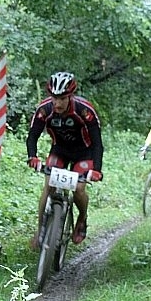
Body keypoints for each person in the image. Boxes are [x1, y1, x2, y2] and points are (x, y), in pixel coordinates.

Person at [26, 72, 104, 247]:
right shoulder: (44, 110)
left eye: (62, 98)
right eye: (54, 98)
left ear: (70, 96)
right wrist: (33, 157)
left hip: (84, 152)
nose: (57, 103)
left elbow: (98, 143)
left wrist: (97, 169)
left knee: (79, 189)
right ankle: (40, 231)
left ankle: (82, 218)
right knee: (49, 185)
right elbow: (32, 137)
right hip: (59, 151)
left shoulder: (84, 110)